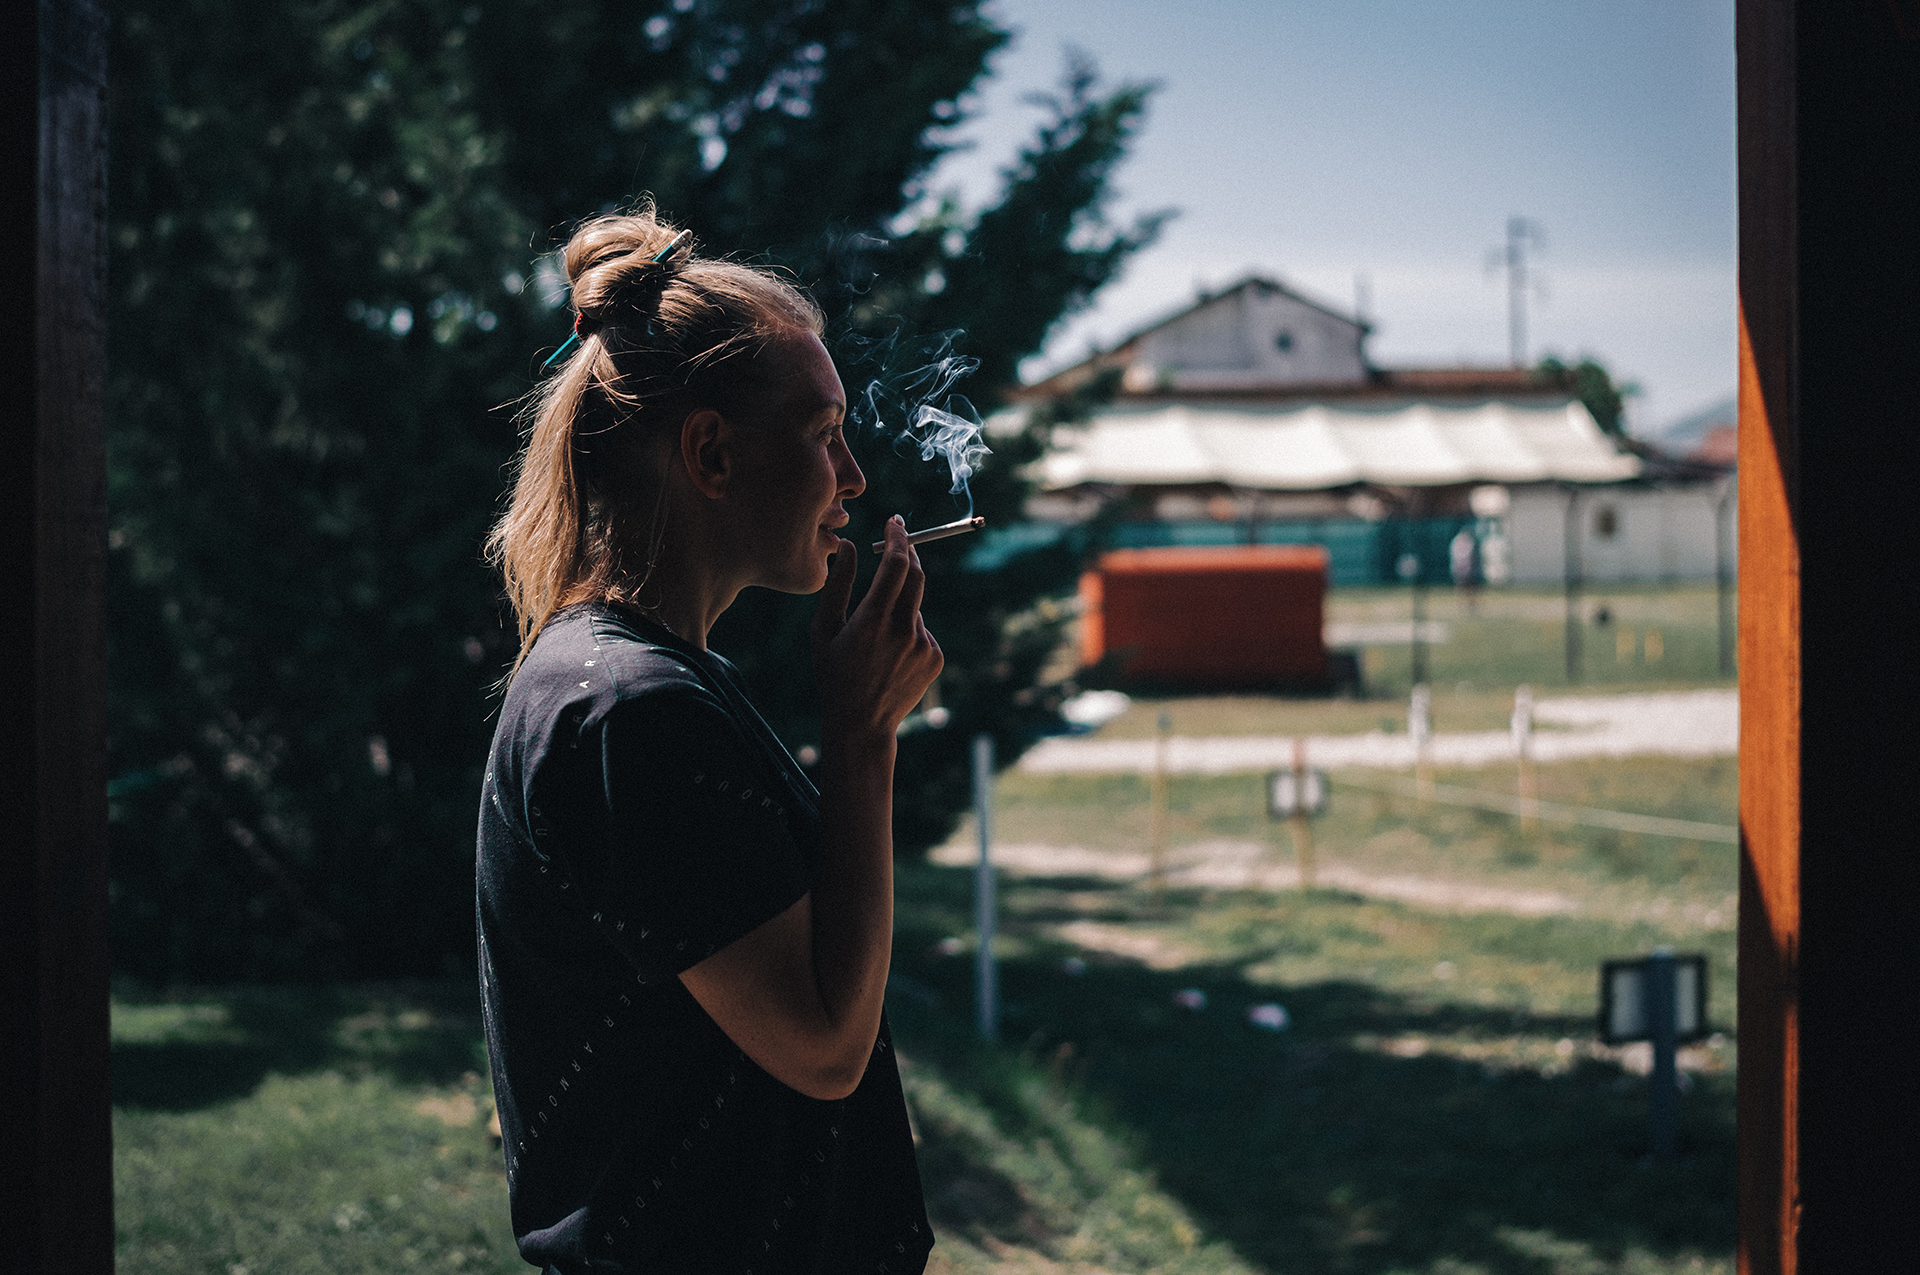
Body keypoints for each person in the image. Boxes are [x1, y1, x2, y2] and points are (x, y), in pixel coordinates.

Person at [476, 208, 943, 1275]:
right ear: (712, 453)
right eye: (825, 435)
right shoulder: (628, 713)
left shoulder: (640, 679)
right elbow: (825, 1044)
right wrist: (865, 737)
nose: (856, 478)